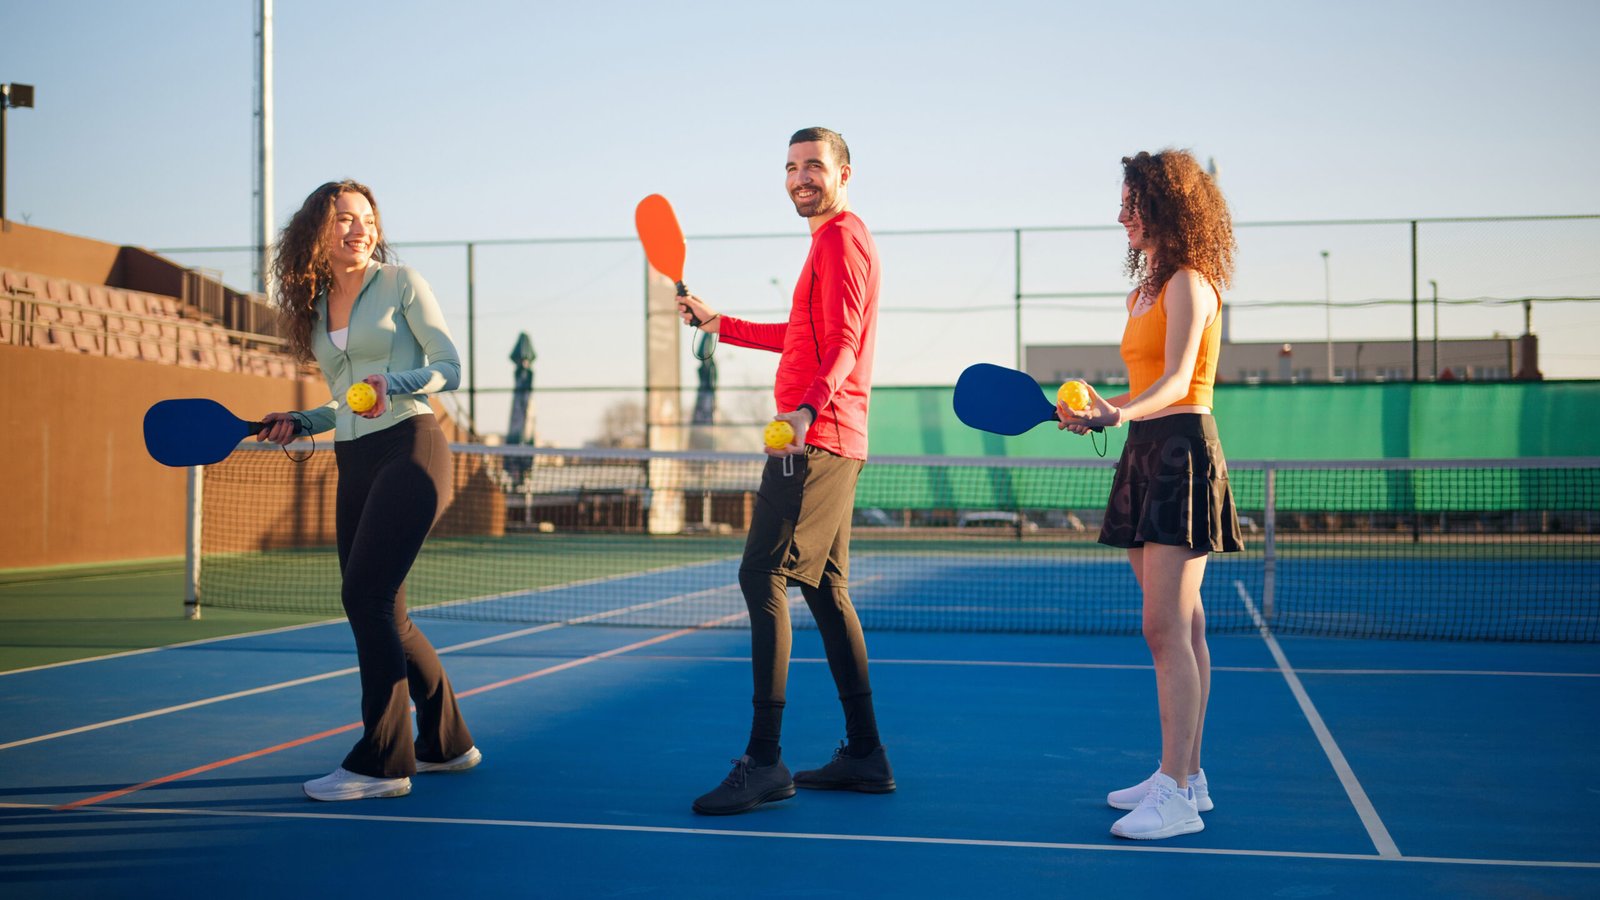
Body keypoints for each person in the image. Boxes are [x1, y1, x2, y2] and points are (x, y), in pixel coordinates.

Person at [678, 127, 893, 815]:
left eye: (814, 166)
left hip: (815, 438)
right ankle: (866, 754)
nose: (801, 177)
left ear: (844, 174)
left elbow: (845, 342)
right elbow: (803, 336)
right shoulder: (828, 243)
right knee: (826, 589)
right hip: (831, 435)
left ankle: (765, 760)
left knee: (761, 574)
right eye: (792, 167)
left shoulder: (841, 238)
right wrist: (721, 323)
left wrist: (805, 411)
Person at [259, 180, 481, 802]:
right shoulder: (314, 308)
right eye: (343, 219)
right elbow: (344, 403)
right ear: (317, 232)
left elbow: (450, 367)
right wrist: (300, 420)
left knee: (365, 596)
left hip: (412, 445)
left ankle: (383, 763)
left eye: (367, 219)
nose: (359, 229)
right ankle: (447, 743)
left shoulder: (401, 282)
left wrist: (395, 382)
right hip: (353, 458)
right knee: (389, 612)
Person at [1056, 150, 1242, 840]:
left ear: (1168, 206)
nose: (1122, 216)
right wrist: (1100, 411)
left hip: (1183, 450)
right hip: (1144, 450)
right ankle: (1187, 776)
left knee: (1164, 628)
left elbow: (1178, 381)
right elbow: (1142, 388)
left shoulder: (1191, 283)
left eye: (1133, 203)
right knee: (1183, 627)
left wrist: (1118, 413)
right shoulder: (1141, 293)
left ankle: (1176, 795)